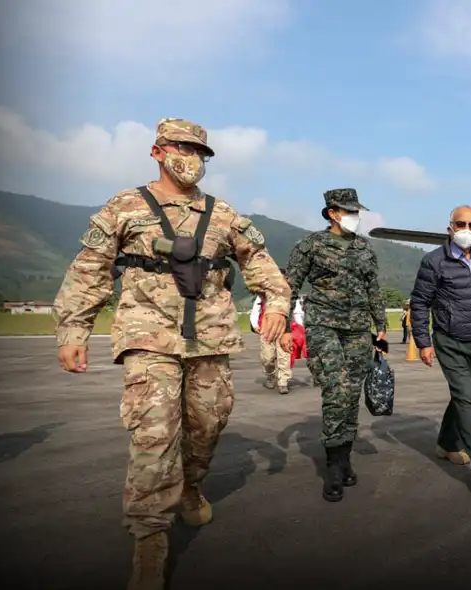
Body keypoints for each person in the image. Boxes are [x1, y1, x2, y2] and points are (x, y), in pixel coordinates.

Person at [52, 118, 291, 590]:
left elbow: (260, 263)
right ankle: (149, 543)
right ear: (158, 151)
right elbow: (90, 269)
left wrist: (278, 302)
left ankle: (192, 485)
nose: (192, 158)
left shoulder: (222, 214)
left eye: (200, 152)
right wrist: (73, 328)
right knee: (155, 433)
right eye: (182, 148)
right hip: (148, 338)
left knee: (208, 423)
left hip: (210, 338)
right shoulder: (124, 206)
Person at [280, 188, 387, 503]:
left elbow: (373, 288)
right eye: (349, 210)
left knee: (352, 394)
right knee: (336, 391)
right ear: (331, 212)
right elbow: (291, 285)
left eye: (357, 211)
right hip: (323, 326)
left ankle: (344, 456)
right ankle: (333, 465)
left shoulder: (364, 248)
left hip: (357, 331)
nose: (355, 216)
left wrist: (381, 326)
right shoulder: (311, 245)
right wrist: (286, 326)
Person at [409, 204, 471, 491]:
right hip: (450, 340)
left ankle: (446, 443)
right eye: (460, 224)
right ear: (450, 227)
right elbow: (420, 303)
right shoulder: (434, 261)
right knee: (465, 399)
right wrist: (423, 343)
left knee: (466, 397)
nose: (467, 231)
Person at [250, 269, 303, 394]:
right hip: (267, 327)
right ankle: (270, 374)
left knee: (284, 355)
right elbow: (256, 310)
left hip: (285, 328)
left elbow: (297, 311)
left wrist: (300, 326)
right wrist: (254, 324)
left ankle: (283, 381)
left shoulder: (290, 294)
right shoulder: (263, 294)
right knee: (268, 358)